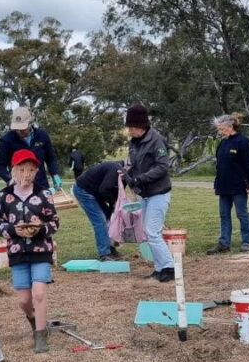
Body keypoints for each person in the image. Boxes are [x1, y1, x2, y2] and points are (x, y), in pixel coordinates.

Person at [0, 149, 60, 353]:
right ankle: (32, 317)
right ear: (14, 171)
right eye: (22, 169)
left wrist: (41, 230)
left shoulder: (43, 194)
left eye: (31, 170)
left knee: (39, 293)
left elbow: (54, 221)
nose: (27, 174)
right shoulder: (5, 195)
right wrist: (13, 231)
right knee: (24, 300)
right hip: (17, 251)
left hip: (41, 250)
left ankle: (41, 335)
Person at [123, 104, 174, 282]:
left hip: (159, 193)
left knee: (152, 231)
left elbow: (162, 166)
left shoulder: (156, 140)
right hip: (145, 194)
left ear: (141, 126)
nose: (129, 130)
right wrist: (127, 174)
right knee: (148, 231)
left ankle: (169, 267)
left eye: (131, 127)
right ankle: (159, 269)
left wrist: (141, 178)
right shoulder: (134, 143)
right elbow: (134, 164)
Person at [206, 114, 249, 254]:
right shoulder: (222, 143)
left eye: (221, 129)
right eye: (218, 129)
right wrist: (216, 184)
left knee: (242, 214)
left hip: (239, 187)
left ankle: (246, 242)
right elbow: (219, 167)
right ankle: (224, 243)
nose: (219, 132)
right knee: (224, 215)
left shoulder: (243, 142)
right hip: (223, 186)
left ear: (230, 127)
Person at [0, 106, 61, 191]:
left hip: (41, 185)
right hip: (19, 188)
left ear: (30, 123)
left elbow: (51, 159)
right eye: (17, 129)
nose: (20, 131)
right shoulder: (6, 140)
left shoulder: (42, 135)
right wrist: (10, 180)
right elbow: (0, 166)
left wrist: (56, 176)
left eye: (23, 128)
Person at [72, 160, 122, 260]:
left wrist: (113, 209)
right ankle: (104, 254)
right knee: (100, 221)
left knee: (108, 218)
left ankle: (110, 248)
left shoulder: (123, 175)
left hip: (95, 191)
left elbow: (116, 192)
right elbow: (104, 189)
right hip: (83, 190)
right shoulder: (116, 169)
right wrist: (114, 202)